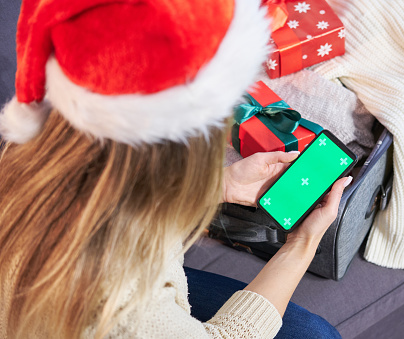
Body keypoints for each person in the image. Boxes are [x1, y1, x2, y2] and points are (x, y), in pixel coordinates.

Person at [0, 0, 350, 338]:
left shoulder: (39, 146)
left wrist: (220, 186)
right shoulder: (122, 305)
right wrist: (302, 243)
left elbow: (126, 197)